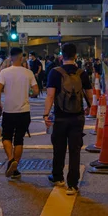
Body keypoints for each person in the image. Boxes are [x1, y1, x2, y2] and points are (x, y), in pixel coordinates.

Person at [44, 43, 93, 195]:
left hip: (60, 117)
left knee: (58, 148)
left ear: (61, 56)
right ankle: (73, 184)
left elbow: (50, 95)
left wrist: (46, 114)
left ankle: (58, 177)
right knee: (75, 151)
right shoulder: (82, 73)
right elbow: (89, 94)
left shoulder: (54, 72)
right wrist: (89, 106)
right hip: (77, 117)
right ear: (75, 56)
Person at [0, 48, 39, 179]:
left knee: (6, 137)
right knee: (19, 139)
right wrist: (29, 94)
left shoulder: (4, 72)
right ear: (21, 58)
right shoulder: (28, 73)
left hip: (9, 111)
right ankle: (15, 169)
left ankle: (10, 159)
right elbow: (36, 91)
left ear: (10, 57)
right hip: (24, 111)